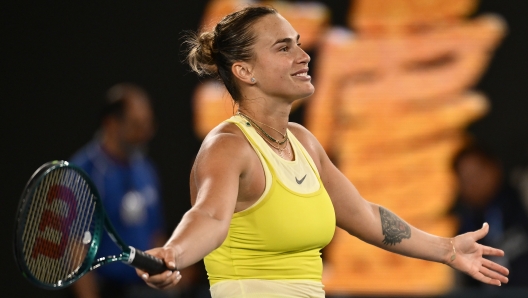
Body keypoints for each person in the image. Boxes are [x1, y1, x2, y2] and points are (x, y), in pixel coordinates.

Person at [136, 6, 509, 297]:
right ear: (245, 71)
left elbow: (366, 216)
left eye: (298, 42)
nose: (304, 55)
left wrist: (446, 250)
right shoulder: (228, 146)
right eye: (284, 48)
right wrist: (174, 253)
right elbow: (210, 217)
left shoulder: (303, 142)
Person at [69, 83, 172, 298]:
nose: (147, 133)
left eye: (148, 124)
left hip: (146, 289)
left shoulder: (147, 169)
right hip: (109, 290)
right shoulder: (84, 174)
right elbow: (77, 251)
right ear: (112, 124)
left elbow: (156, 236)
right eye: (137, 125)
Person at [450, 143, 528, 289]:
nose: (474, 183)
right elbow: (461, 287)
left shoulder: (521, 196)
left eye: (478, 173)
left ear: (496, 166)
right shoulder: (464, 231)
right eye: (466, 179)